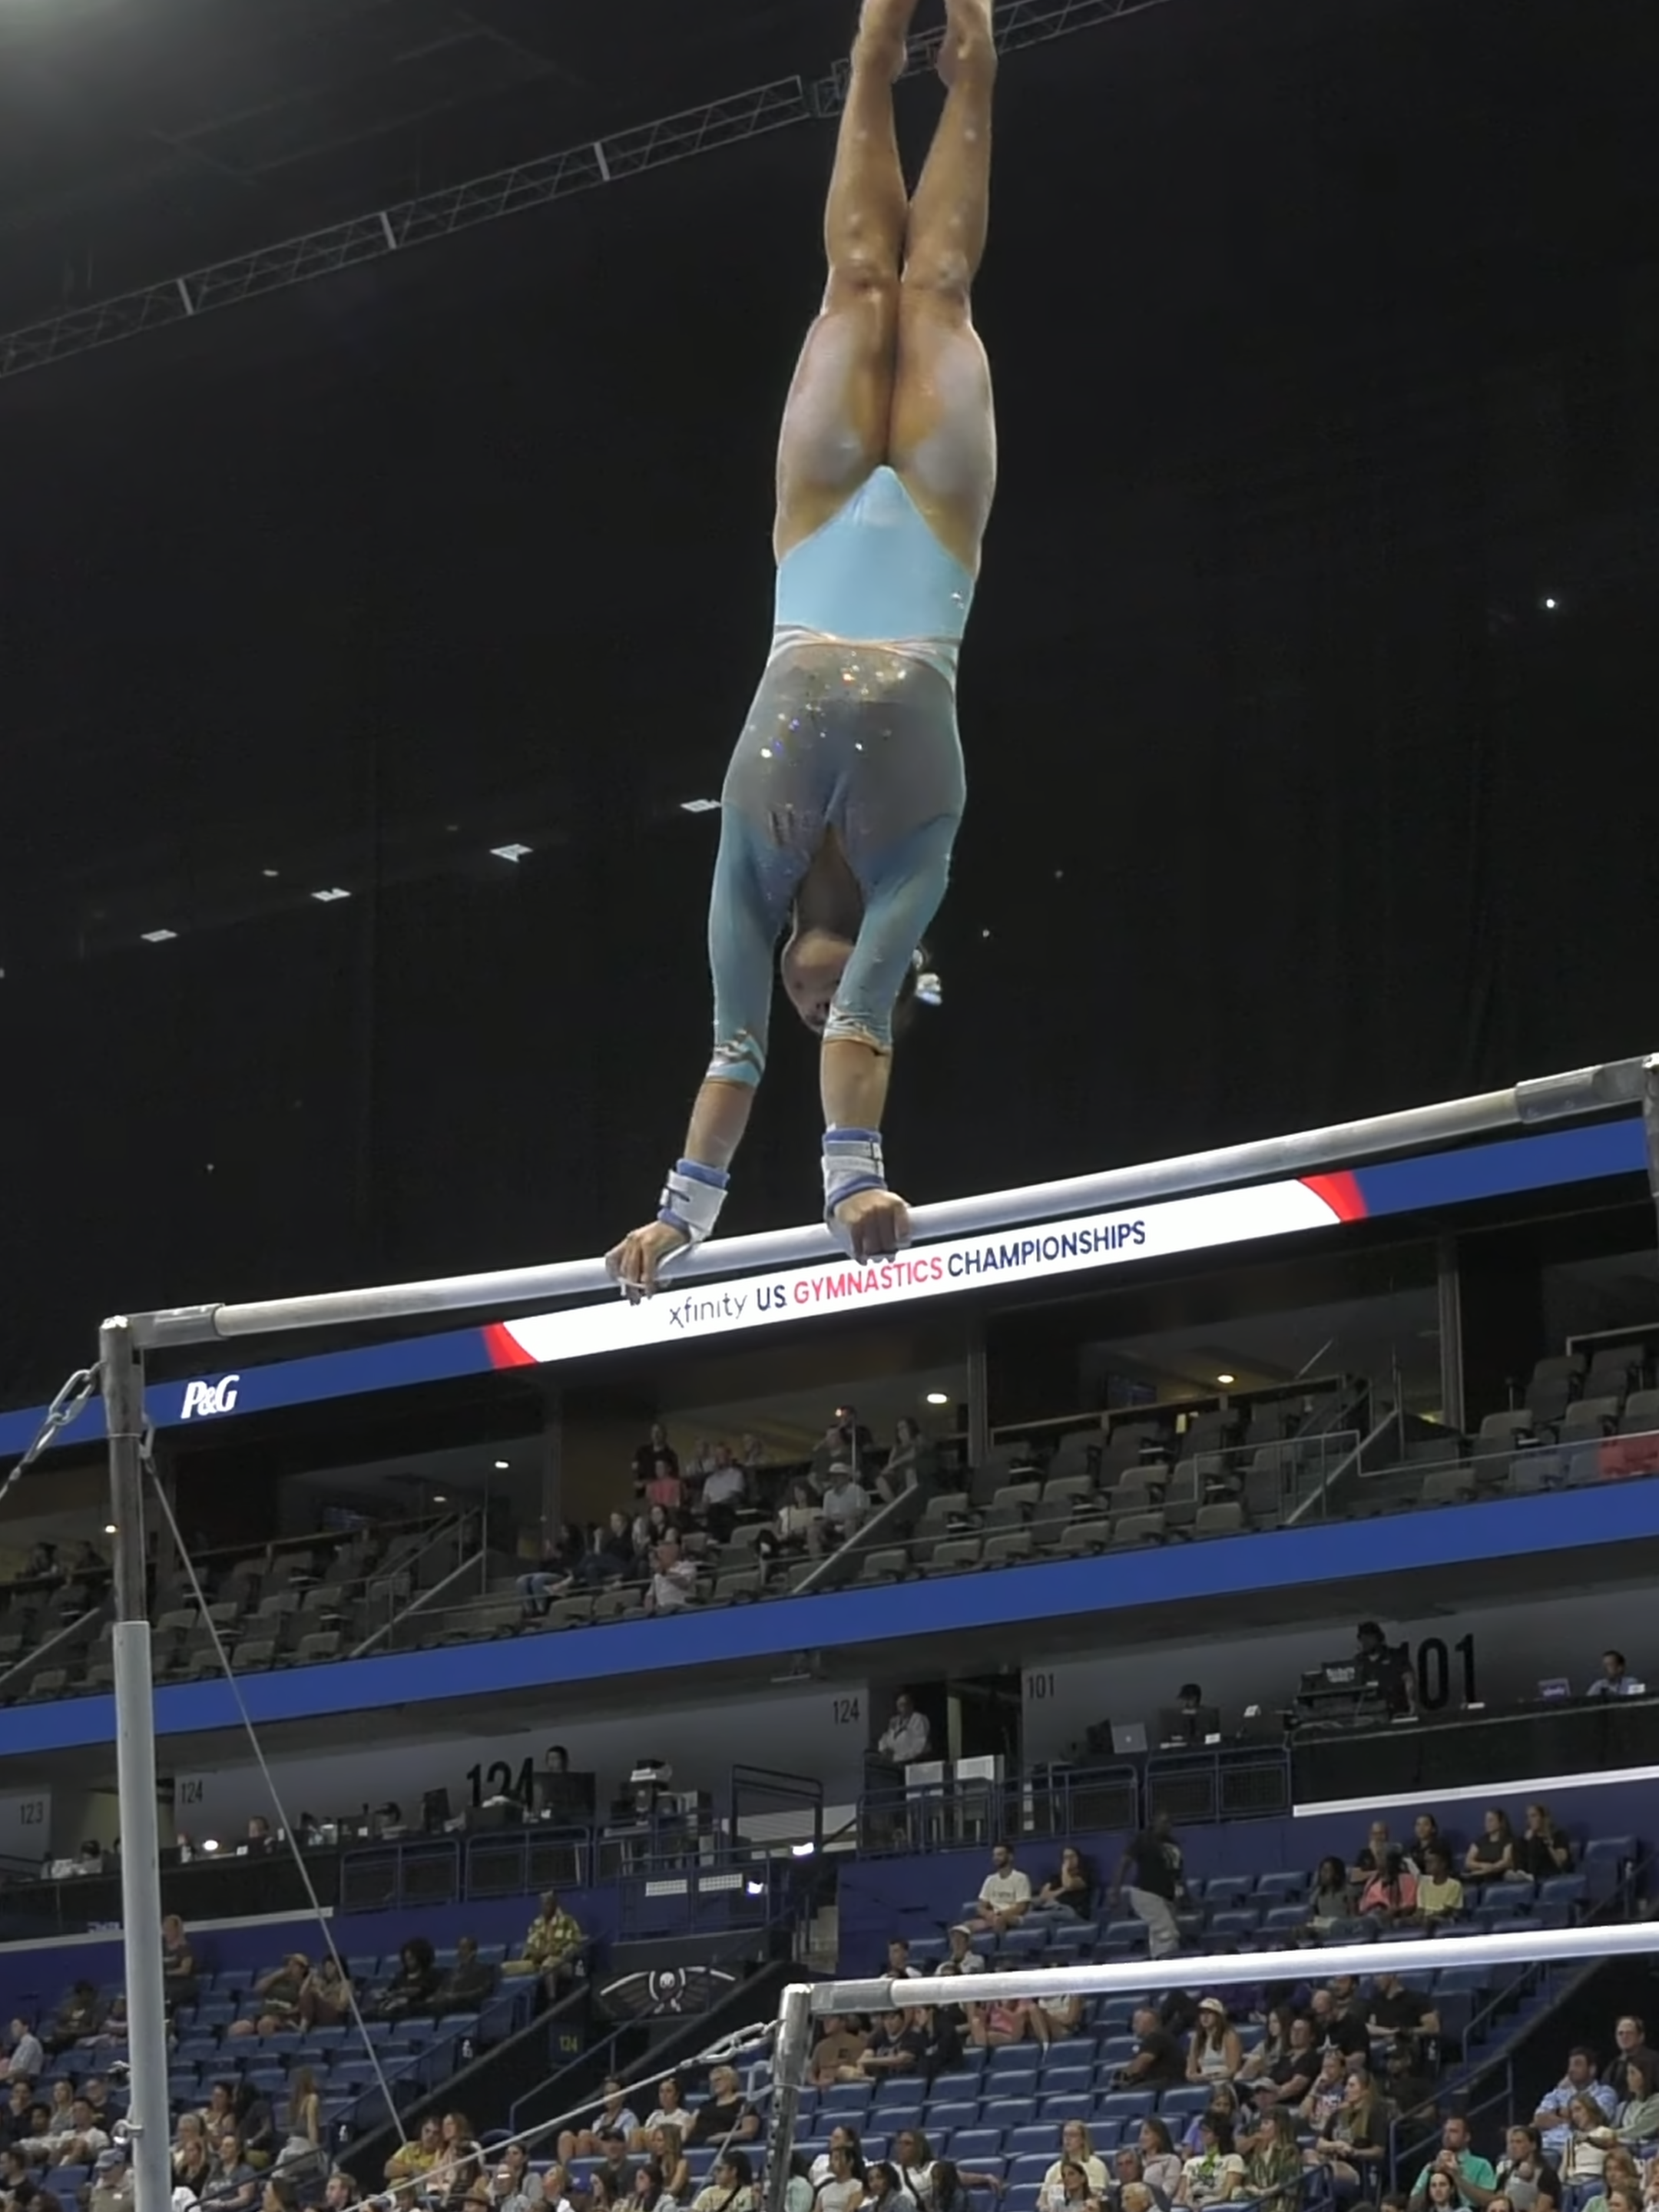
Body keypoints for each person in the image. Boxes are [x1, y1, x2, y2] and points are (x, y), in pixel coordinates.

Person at [606, 0, 1001, 1296]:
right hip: (936, 546)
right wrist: (856, 1179)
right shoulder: (913, 865)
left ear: (781, 973)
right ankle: (974, 72)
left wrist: (684, 1218)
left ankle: (871, 67)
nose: (826, 1007)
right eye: (833, 1011)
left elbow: (732, 1059)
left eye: (807, 1007)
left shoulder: (748, 868)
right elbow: (869, 1019)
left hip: (820, 540)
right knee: (936, 287)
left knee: (855, 284)